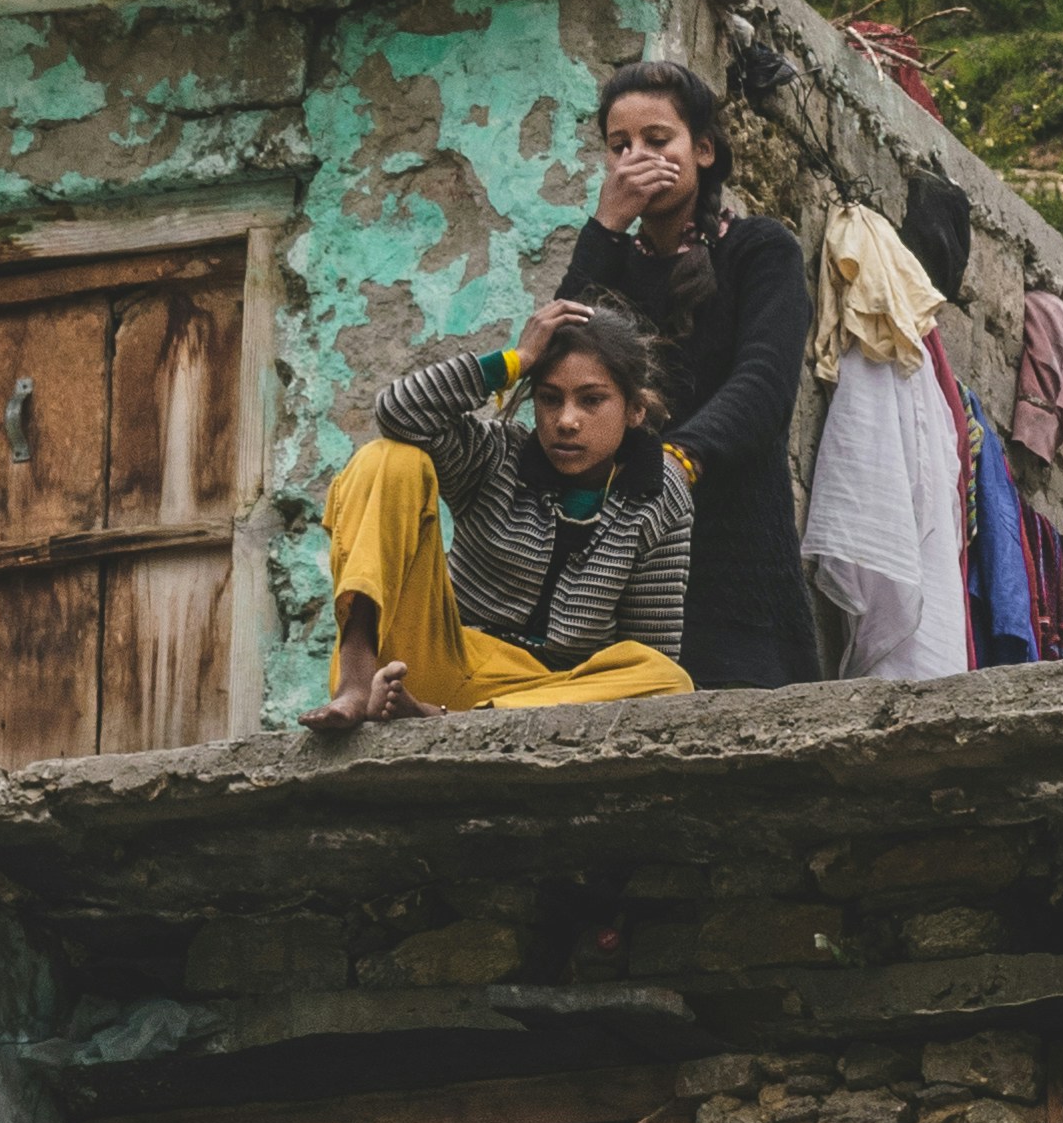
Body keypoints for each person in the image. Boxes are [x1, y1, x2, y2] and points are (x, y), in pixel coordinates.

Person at [304, 298, 695, 726]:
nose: (566, 420)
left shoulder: (659, 494)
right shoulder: (495, 456)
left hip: (541, 693)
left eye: (591, 400)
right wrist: (516, 359)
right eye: (549, 399)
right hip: (426, 664)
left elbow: (649, 649)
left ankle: (447, 717)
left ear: (634, 409)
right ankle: (357, 678)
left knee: (665, 677)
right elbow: (398, 413)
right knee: (388, 458)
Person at [560, 57, 819, 688]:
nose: (636, 158)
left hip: (735, 559)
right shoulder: (612, 264)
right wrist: (607, 224)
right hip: (621, 558)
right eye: (619, 147)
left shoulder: (760, 250)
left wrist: (675, 462)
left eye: (657, 140)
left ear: (702, 150)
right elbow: (561, 361)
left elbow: (762, 385)